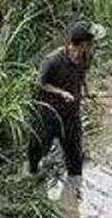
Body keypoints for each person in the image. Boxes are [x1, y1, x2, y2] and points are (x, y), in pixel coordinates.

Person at [29, 21, 99, 177]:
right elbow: (40, 83)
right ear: (84, 43)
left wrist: (87, 92)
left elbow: (82, 75)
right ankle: (32, 172)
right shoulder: (53, 60)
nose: (94, 44)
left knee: (75, 156)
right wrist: (61, 92)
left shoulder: (86, 57)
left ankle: (74, 192)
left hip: (71, 113)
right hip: (49, 112)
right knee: (39, 148)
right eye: (91, 41)